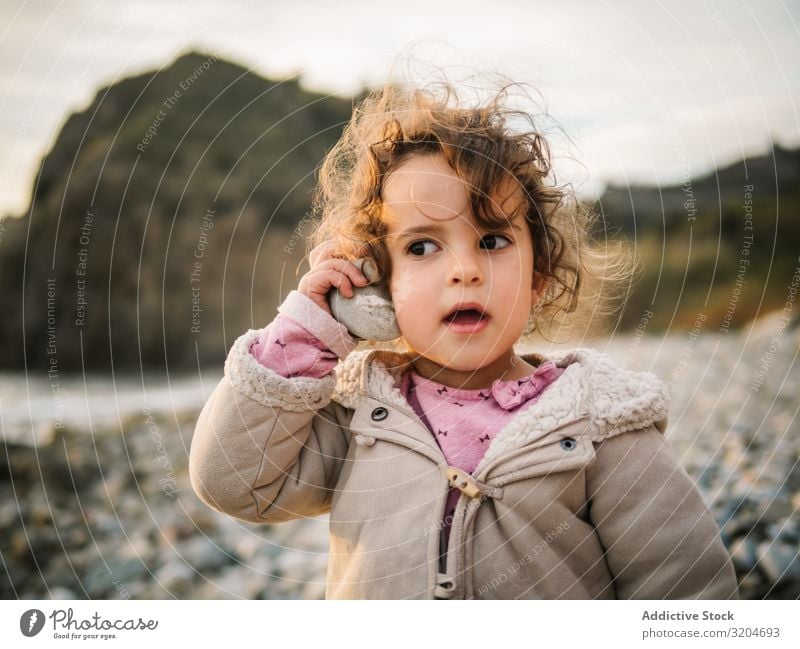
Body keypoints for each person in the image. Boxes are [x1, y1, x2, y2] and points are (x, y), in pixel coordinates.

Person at [188, 76, 740, 600]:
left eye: (493, 239)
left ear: (537, 278)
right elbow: (234, 482)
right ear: (380, 282)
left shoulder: (604, 423)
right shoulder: (355, 413)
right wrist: (308, 329)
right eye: (422, 247)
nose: (465, 270)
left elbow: (687, 590)